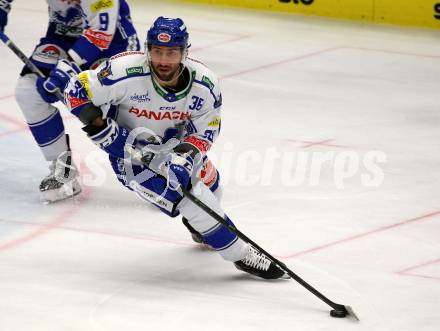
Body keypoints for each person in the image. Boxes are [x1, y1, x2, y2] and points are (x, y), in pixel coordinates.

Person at [62, 16, 288, 279]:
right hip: (129, 160)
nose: (163, 60)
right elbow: (75, 90)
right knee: (192, 198)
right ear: (148, 50)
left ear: (184, 52)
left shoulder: (205, 84)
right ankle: (242, 254)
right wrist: (99, 125)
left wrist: (186, 158)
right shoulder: (122, 71)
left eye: (171, 53)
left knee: (213, 186)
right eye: (157, 51)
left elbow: (207, 130)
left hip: (174, 149)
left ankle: (203, 227)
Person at [0, 0, 140, 202]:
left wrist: (66, 68)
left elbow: (100, 33)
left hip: (112, 42)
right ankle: (63, 169)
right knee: (29, 90)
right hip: (61, 35)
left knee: (119, 110)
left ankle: (161, 162)